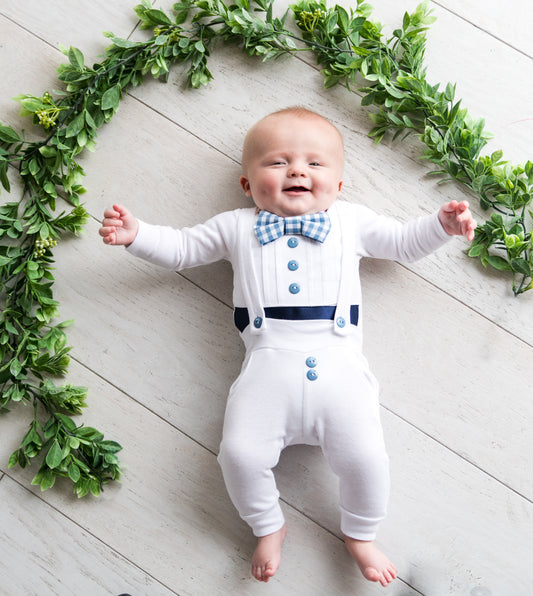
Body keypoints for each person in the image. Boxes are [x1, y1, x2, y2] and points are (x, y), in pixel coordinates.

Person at [99, 107, 476, 587]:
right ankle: (267, 525)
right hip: (266, 370)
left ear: (338, 186)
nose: (297, 170)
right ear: (247, 184)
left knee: (368, 460)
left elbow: (402, 243)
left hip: (340, 371)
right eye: (278, 162)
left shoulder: (350, 221)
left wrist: (439, 225)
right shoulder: (235, 226)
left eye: (315, 164)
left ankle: (361, 534)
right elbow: (182, 248)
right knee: (237, 454)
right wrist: (139, 236)